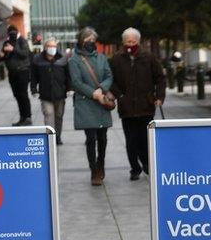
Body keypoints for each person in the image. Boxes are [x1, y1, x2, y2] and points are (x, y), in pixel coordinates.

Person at [109, 27, 165, 181]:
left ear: (138, 42)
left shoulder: (149, 57)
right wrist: (119, 95)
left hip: (146, 106)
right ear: (123, 42)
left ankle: (147, 163)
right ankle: (135, 167)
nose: (130, 44)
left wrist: (159, 96)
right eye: (128, 41)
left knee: (144, 138)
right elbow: (110, 79)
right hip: (126, 107)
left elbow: (160, 78)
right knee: (131, 140)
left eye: (133, 41)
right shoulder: (116, 59)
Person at [68, 27, 113, 186]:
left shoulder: (101, 58)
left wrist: (102, 89)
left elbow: (109, 75)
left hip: (101, 103)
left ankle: (101, 163)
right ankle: (94, 170)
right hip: (86, 103)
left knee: (103, 137)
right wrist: (93, 93)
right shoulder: (74, 60)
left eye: (93, 40)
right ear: (81, 41)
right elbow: (76, 82)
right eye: (87, 40)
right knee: (91, 138)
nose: (90, 43)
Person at [31, 38, 70, 146]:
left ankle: (57, 137)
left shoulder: (62, 58)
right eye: (50, 46)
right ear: (45, 47)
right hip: (45, 94)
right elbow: (33, 76)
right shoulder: (37, 59)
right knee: (48, 115)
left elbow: (68, 75)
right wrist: (34, 89)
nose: (52, 48)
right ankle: (50, 138)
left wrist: (70, 89)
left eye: (54, 46)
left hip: (60, 94)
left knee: (59, 116)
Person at [0, 25, 33, 126]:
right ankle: (22, 117)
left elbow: (25, 54)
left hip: (22, 71)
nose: (12, 34)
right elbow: (4, 57)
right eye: (10, 33)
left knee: (23, 94)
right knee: (17, 95)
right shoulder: (6, 42)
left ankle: (28, 117)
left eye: (13, 32)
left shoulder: (22, 41)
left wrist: (13, 49)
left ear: (17, 32)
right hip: (12, 73)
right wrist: (1, 56)